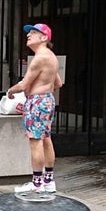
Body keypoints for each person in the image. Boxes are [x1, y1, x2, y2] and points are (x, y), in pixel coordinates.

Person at [7, 23, 63, 194]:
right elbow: (59, 83)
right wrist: (45, 88)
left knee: (35, 141)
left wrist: (10, 91)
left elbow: (24, 84)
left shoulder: (40, 57)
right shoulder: (51, 57)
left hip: (37, 102)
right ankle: (48, 180)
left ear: (44, 37)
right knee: (45, 138)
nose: (28, 35)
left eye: (33, 32)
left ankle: (37, 183)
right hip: (47, 100)